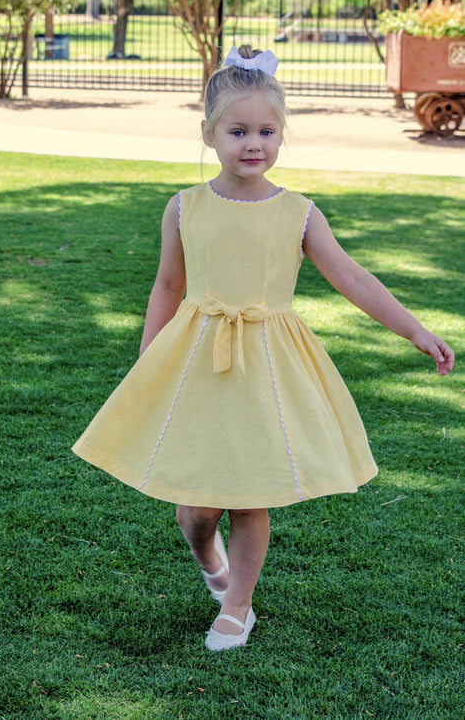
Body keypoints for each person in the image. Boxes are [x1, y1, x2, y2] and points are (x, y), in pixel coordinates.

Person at [72, 45, 454, 652]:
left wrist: (413, 329)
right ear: (209, 134)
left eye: (268, 131)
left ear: (282, 136)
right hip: (197, 360)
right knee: (197, 509)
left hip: (268, 369)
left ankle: (238, 607)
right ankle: (211, 562)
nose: (254, 143)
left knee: (250, 495)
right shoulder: (184, 207)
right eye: (239, 130)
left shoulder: (299, 214)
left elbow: (351, 277)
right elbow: (168, 285)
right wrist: (149, 363)